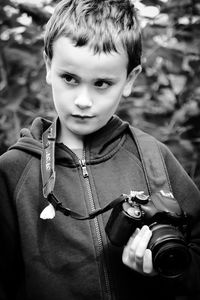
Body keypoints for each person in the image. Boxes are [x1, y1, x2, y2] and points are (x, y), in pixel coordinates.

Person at [0, 0, 200, 299]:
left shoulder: (154, 157)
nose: (83, 100)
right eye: (69, 78)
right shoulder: (13, 170)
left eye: (102, 83)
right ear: (48, 68)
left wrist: (168, 268)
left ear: (130, 80)